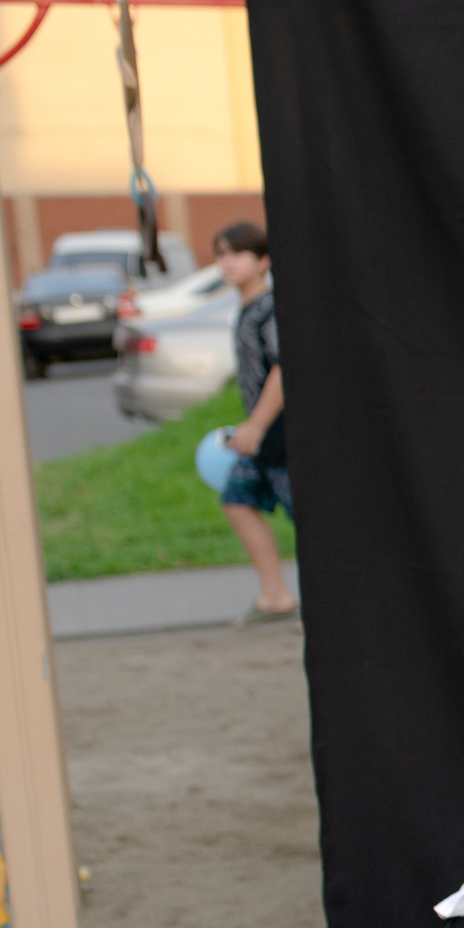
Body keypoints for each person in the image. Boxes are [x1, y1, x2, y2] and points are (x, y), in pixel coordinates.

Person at [210, 221, 295, 626]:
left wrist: (257, 426)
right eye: (220, 254)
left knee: (310, 520)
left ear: (263, 261)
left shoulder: (270, 309)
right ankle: (275, 596)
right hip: (259, 437)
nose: (225, 262)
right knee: (237, 500)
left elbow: (283, 369)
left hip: (282, 435)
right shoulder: (246, 310)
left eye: (236, 253)